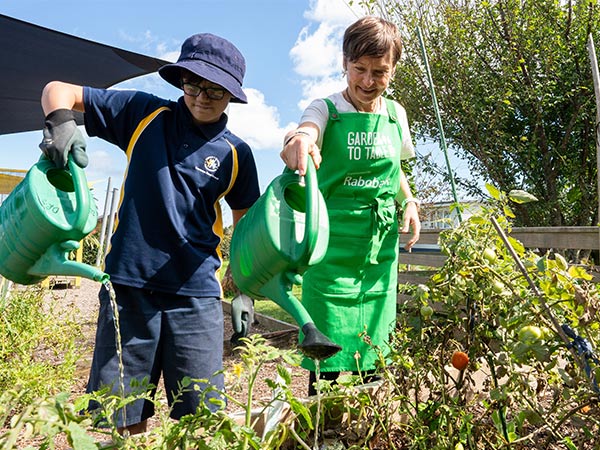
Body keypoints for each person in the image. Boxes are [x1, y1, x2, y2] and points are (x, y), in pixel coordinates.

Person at [39, 33, 260, 434]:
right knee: (120, 415)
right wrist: (60, 123)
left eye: (215, 89)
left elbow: (246, 226)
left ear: (231, 95)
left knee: (202, 420)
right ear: (181, 80)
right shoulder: (144, 114)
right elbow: (59, 91)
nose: (201, 96)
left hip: (196, 297)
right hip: (128, 288)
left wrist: (243, 285)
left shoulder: (236, 154)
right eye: (194, 84)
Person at [280, 16, 421, 395]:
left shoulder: (396, 115)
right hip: (329, 250)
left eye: (380, 72)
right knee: (326, 358)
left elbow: (396, 170)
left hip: (377, 252)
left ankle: (367, 428)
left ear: (393, 70)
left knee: (373, 357)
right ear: (345, 63)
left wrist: (408, 200)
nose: (367, 81)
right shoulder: (326, 109)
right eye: (359, 69)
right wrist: (300, 140)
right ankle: (322, 429)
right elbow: (306, 129)